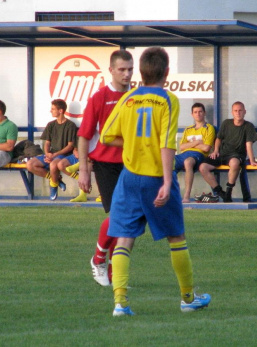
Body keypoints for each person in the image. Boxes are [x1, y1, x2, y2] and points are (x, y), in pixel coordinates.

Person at [100, 46, 211, 316]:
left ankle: (120, 304)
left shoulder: (128, 99)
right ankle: (187, 299)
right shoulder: (168, 100)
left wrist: (133, 144)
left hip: (129, 178)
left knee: (124, 239)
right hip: (155, 176)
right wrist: (164, 181)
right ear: (167, 72)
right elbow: (165, 144)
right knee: (176, 237)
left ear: (140, 72)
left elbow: (104, 136)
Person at [78, 49, 134, 286]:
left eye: (130, 69)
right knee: (120, 216)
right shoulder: (99, 97)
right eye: (122, 69)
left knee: (130, 221)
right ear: (110, 70)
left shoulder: (137, 97)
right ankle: (99, 259)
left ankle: (113, 272)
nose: (127, 74)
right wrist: (83, 169)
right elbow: (84, 136)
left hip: (133, 164)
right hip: (106, 164)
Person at [198, 101, 257, 203]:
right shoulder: (226, 123)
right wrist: (215, 150)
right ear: (232, 112)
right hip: (222, 154)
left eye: (240, 110)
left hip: (236, 155)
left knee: (235, 164)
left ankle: (228, 192)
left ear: (244, 112)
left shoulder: (248, 126)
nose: (238, 113)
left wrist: (252, 160)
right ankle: (222, 193)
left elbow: (248, 145)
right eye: (235, 110)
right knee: (203, 167)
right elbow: (218, 139)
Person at [26, 99, 78, 200]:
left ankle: (53, 186)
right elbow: (47, 142)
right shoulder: (51, 124)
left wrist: (54, 155)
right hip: (51, 155)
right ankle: (56, 179)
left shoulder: (70, 125)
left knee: (53, 164)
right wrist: (47, 154)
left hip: (63, 155)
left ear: (61, 111)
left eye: (53, 109)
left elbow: (70, 146)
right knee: (30, 165)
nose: (51, 111)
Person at [174, 103, 215, 203]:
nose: (198, 114)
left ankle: (186, 195)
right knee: (169, 163)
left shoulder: (209, 128)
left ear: (204, 113)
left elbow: (206, 148)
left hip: (198, 155)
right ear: (192, 114)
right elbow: (181, 146)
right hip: (184, 154)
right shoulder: (188, 129)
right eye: (195, 112)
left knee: (188, 162)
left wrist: (190, 144)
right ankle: (171, 195)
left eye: (200, 112)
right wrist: (196, 142)